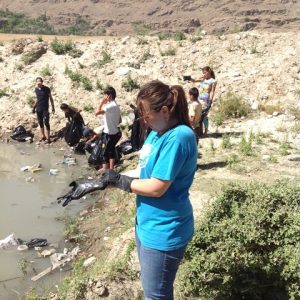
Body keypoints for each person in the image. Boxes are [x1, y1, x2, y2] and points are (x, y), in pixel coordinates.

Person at [58, 80, 198, 299]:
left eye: (146, 115)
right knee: (151, 288)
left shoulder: (179, 136)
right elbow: (143, 171)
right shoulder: (156, 133)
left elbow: (157, 187)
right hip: (146, 223)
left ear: (164, 111)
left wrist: (120, 182)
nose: (143, 121)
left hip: (165, 229)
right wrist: (102, 181)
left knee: (157, 294)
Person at [95, 86, 122, 170]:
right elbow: (120, 120)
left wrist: (102, 102)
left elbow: (97, 113)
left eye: (105, 95)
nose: (104, 97)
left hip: (109, 133)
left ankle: (105, 172)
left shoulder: (109, 106)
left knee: (105, 154)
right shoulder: (116, 105)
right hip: (115, 132)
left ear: (109, 96)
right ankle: (111, 169)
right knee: (111, 151)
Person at [191, 66, 217, 136]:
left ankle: (205, 131)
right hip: (199, 99)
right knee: (198, 115)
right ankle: (199, 131)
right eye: (203, 73)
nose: (204, 74)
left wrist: (210, 101)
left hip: (206, 100)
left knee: (204, 115)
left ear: (209, 72)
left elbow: (212, 91)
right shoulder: (203, 79)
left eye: (205, 72)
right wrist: (190, 78)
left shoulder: (213, 81)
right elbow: (194, 81)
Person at [32, 77, 55, 144]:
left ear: (42, 82)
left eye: (39, 81)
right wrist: (34, 107)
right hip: (38, 109)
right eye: (37, 82)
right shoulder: (36, 89)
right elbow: (37, 99)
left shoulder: (47, 89)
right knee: (40, 122)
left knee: (46, 122)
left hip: (45, 109)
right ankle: (43, 136)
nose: (38, 83)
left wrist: (53, 107)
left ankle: (48, 138)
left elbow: (51, 98)